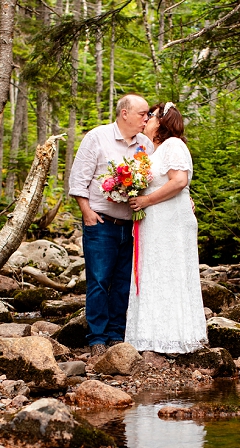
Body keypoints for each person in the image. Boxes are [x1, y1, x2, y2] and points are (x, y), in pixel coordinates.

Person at [69, 94, 154, 357]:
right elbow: (78, 179)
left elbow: (157, 180)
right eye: (143, 114)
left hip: (132, 225)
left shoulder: (146, 145)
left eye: (148, 114)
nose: (147, 119)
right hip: (101, 222)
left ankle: (117, 334)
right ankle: (96, 337)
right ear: (124, 113)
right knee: (98, 280)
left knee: (122, 282)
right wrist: (86, 212)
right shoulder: (97, 137)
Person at [125, 102, 207, 354]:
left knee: (169, 272)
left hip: (170, 222)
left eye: (151, 115)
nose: (147, 119)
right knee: (153, 272)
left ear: (162, 122)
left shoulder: (173, 145)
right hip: (154, 222)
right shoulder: (152, 151)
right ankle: (149, 335)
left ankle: (174, 336)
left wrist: (146, 200)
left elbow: (180, 180)